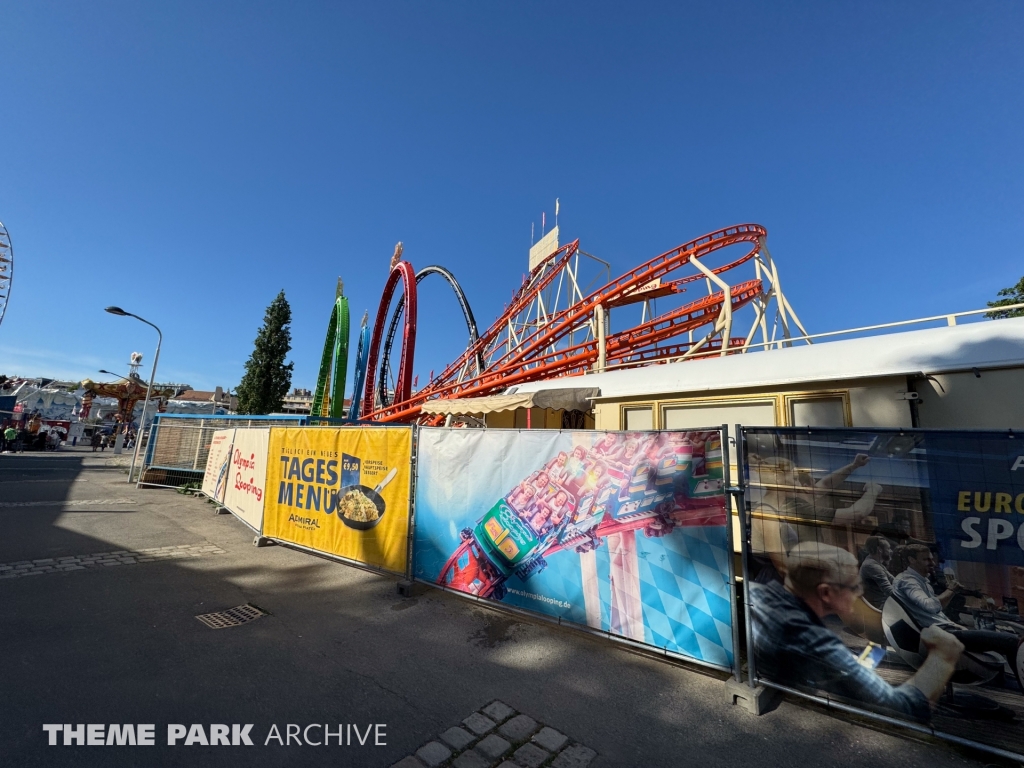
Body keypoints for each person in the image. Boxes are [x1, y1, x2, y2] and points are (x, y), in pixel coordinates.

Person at [750, 542, 964, 722]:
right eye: (852, 587)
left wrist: (866, 657)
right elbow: (903, 706)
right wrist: (941, 657)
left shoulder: (764, 593)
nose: (859, 592)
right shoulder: (814, 640)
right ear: (825, 592)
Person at [893, 545, 1023, 683]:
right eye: (926, 560)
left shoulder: (919, 580)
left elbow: (935, 611)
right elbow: (930, 606)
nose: (933, 563)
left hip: (944, 630)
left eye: (932, 559)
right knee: (1012, 642)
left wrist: (954, 622)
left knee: (1004, 637)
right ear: (911, 560)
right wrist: (951, 590)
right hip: (940, 635)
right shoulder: (908, 581)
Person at [859, 536, 895, 609]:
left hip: (885, 604)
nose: (891, 551)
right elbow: (888, 590)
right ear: (879, 550)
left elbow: (894, 581)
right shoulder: (871, 566)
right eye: (888, 548)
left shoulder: (876, 563)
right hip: (880, 607)